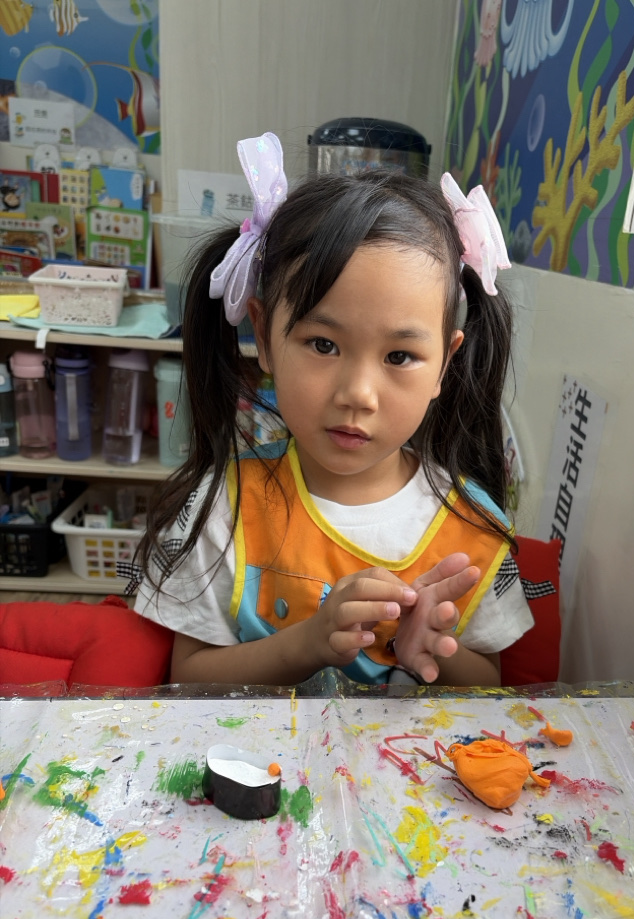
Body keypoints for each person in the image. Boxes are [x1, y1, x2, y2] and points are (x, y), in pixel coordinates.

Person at [133, 132, 533, 687]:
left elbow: (491, 686)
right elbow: (189, 677)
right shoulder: (225, 506)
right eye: (323, 345)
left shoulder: (473, 529)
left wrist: (428, 648)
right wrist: (310, 642)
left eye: (399, 356)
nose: (358, 394)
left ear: (445, 363)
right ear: (265, 338)